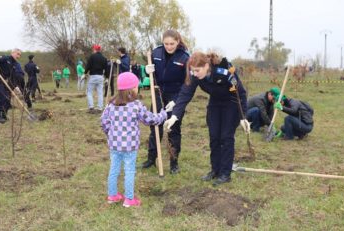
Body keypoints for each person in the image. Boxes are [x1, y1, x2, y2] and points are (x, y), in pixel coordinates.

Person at [164, 51, 249, 186]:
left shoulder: (224, 71)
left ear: (206, 66)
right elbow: (185, 94)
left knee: (226, 137)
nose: (195, 74)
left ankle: (225, 174)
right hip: (215, 103)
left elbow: (241, 93)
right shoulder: (195, 75)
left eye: (198, 70)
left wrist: (243, 116)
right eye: (193, 71)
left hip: (231, 103)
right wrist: (174, 116)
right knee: (214, 136)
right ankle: (215, 170)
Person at [101, 72, 171, 207]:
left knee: (114, 169)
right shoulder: (136, 105)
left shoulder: (111, 104)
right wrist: (163, 114)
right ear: (132, 89)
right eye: (137, 86)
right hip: (130, 146)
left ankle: (112, 195)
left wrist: (110, 133)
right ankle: (129, 199)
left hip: (114, 145)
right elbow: (151, 119)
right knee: (129, 171)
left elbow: (104, 122)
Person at [141, 29, 190, 174]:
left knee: (173, 128)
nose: (169, 46)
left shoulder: (184, 57)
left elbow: (187, 83)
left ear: (178, 42)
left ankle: (174, 162)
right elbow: (152, 74)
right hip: (158, 91)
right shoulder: (156, 53)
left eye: (172, 44)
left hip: (175, 95)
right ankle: (151, 158)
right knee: (155, 125)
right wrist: (147, 70)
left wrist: (176, 100)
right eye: (166, 43)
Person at [0, 48, 24, 123]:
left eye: (20, 55)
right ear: (13, 53)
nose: (18, 56)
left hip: (3, 81)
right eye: (17, 54)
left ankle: (4, 115)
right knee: (2, 96)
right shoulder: (5, 58)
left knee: (8, 98)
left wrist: (16, 86)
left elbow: (12, 77)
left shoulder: (15, 64)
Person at [84, 44, 108, 114]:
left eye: (93, 49)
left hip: (93, 76)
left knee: (89, 92)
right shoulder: (104, 58)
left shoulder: (92, 56)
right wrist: (107, 77)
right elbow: (106, 69)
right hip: (101, 77)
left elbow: (88, 66)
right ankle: (100, 108)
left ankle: (91, 107)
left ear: (94, 49)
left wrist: (85, 73)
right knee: (100, 92)